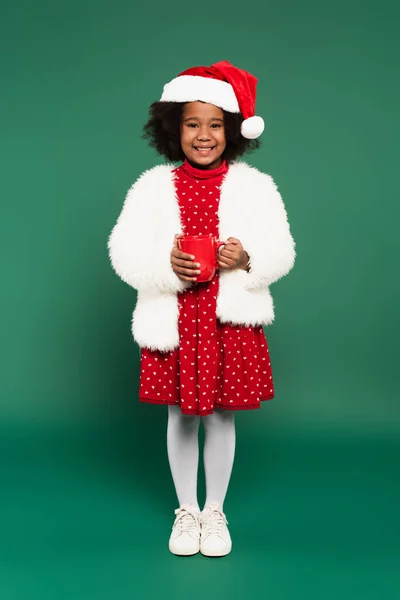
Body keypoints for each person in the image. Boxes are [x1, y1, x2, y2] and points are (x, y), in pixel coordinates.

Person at [108, 60, 296, 557]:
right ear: (175, 129)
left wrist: (247, 259)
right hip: (176, 321)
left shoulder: (256, 187)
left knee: (221, 418)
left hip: (227, 321)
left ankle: (215, 511)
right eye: (193, 124)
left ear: (232, 131)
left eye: (215, 125)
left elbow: (283, 250)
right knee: (181, 417)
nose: (204, 135)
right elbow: (123, 253)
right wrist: (164, 263)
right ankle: (185, 511)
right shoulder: (151, 187)